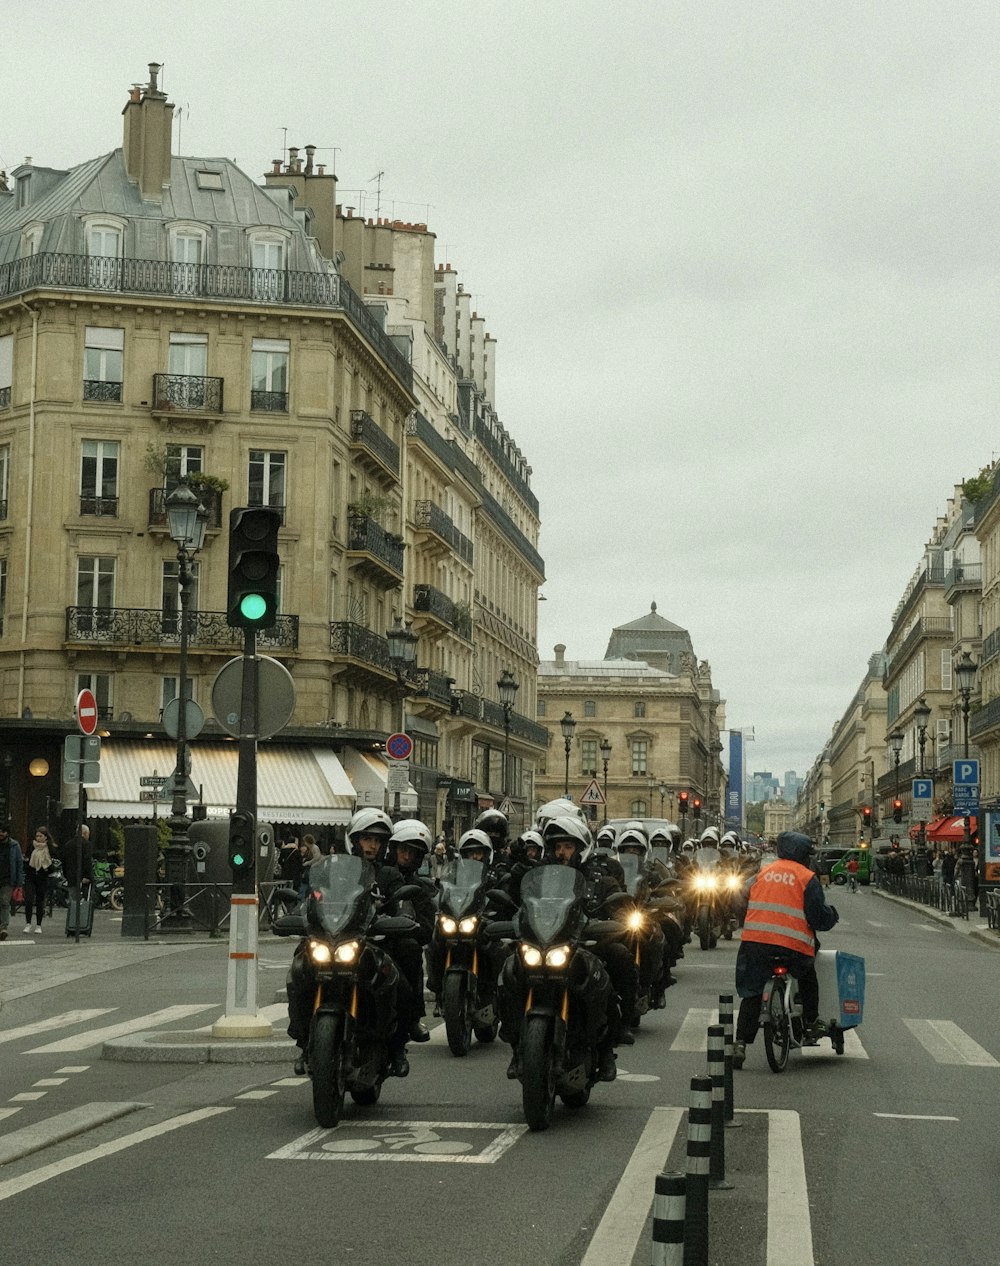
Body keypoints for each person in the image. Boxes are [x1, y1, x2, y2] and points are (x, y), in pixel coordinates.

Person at [498, 815, 620, 1083]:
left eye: (567, 846)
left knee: (608, 975)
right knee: (509, 971)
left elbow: (615, 904)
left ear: (580, 847)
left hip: (581, 943)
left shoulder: (597, 876)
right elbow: (521, 901)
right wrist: (516, 869)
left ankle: (606, 1048)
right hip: (544, 943)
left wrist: (611, 921)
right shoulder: (540, 875)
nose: (562, 852)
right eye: (557, 847)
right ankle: (517, 1047)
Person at [732, 830, 839, 1069]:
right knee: (808, 976)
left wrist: (745, 922)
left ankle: (740, 1043)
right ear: (803, 856)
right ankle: (811, 1022)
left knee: (752, 992)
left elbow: (739, 899)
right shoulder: (806, 877)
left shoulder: (762, 874)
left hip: (756, 944)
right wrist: (832, 917)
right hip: (793, 948)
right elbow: (818, 916)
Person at [23, 826, 55, 933]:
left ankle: (38, 924)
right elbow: (26, 859)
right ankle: (28, 923)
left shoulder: (49, 848)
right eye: (37, 836)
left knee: (40, 901)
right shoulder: (32, 847)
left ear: (45, 837)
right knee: (29, 899)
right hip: (31, 876)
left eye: (40, 836)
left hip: (42, 876)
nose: (38, 838)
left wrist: (48, 867)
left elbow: (53, 863)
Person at [0, 822, 24, 942]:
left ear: (7, 833)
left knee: (4, 902)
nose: (1, 834)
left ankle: (3, 927)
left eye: (3, 831)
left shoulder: (14, 846)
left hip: (8, 880)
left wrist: (19, 883)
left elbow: (19, 864)